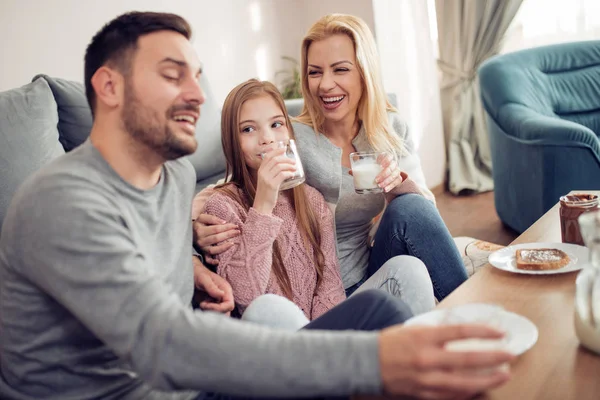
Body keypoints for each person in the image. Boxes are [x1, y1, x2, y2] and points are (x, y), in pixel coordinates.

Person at [0, 11, 514, 400]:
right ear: (109, 87)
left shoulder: (175, 175)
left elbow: (156, 241)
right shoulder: (60, 203)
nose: (197, 94)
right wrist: (376, 358)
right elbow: (163, 342)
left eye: (197, 76)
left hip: (196, 377)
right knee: (303, 317)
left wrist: (191, 260)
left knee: (382, 302)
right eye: (172, 74)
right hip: (155, 384)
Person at [193, 14, 468, 302]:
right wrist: (193, 231)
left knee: (410, 206)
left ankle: (469, 309)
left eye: (340, 69)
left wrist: (397, 184)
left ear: (364, 71)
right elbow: (236, 181)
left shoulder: (390, 128)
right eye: (314, 72)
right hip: (313, 287)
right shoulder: (292, 134)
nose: (325, 85)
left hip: (372, 265)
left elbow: (424, 214)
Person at [202, 78, 434, 327]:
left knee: (408, 268)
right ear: (231, 141)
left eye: (276, 124)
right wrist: (263, 207)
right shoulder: (222, 207)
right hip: (277, 341)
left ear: (289, 133)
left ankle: (417, 357)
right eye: (248, 129)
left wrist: (327, 339)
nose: (267, 138)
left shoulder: (312, 200)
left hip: (323, 335)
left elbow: (330, 287)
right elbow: (246, 299)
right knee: (267, 308)